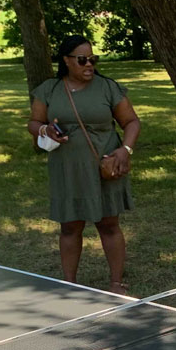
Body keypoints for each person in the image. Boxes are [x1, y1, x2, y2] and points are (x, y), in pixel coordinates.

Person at [28, 35, 141, 294]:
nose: (89, 65)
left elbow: (132, 122)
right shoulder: (50, 89)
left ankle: (115, 282)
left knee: (109, 224)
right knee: (70, 225)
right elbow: (33, 123)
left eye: (92, 59)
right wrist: (45, 129)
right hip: (67, 167)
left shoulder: (108, 87)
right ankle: (70, 283)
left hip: (106, 165)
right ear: (66, 61)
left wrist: (125, 150)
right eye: (82, 60)